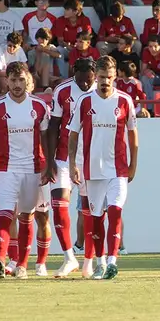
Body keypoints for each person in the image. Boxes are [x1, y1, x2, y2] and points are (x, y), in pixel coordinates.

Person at [67, 56, 138, 280]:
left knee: (115, 211)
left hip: (117, 169)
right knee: (96, 218)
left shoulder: (125, 101)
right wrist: (72, 165)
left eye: (109, 77)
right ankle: (99, 263)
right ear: (95, 77)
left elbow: (133, 135)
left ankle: (112, 262)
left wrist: (133, 164)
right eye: (101, 77)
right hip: (92, 170)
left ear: (115, 76)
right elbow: (73, 134)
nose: (105, 81)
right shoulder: (85, 102)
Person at [0, 61, 51, 279]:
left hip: (32, 170)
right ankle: (0, 261)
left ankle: (22, 265)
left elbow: (47, 139)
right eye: (13, 80)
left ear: (28, 80)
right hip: (5, 169)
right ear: (6, 82)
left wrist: (48, 167)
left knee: (27, 217)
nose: (17, 84)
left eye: (21, 79)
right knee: (3, 216)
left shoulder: (39, 107)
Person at [45, 59, 96, 277]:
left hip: (92, 159)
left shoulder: (103, 91)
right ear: (74, 73)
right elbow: (53, 126)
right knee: (59, 204)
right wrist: (49, 161)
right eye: (81, 80)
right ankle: (69, 257)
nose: (85, 84)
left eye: (89, 80)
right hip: (64, 157)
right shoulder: (62, 90)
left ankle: (89, 262)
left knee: (90, 210)